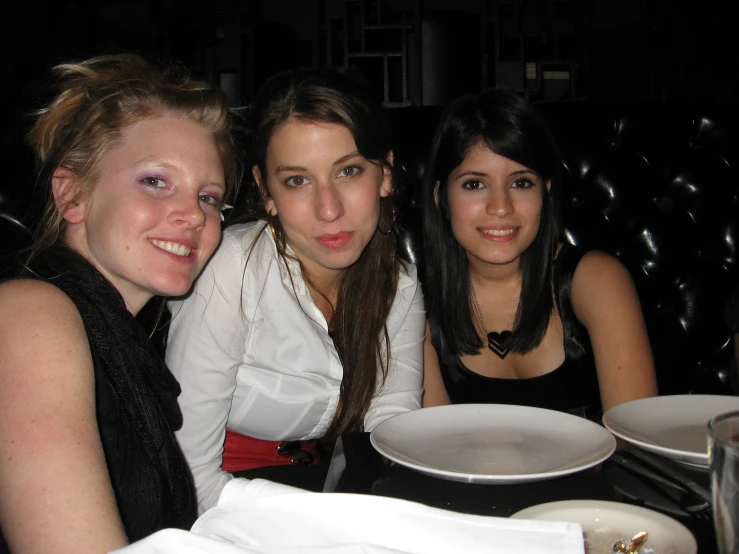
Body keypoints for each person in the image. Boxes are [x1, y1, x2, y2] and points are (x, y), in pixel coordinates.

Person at [0, 54, 240, 553]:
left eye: (210, 197)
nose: (193, 216)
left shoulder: (128, 335)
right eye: (156, 181)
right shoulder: (30, 314)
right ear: (73, 195)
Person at [166, 68, 425, 514]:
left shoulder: (398, 286)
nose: (329, 209)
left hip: (322, 488)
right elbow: (189, 475)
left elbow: (390, 433)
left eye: (348, 171)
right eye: (297, 181)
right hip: (220, 499)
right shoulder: (232, 268)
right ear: (266, 192)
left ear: (383, 175)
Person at [421, 89, 657, 417]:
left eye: (521, 183)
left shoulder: (596, 280)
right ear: (440, 196)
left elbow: (637, 439)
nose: (501, 207)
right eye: (475, 184)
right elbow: (433, 444)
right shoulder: (415, 304)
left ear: (545, 189)